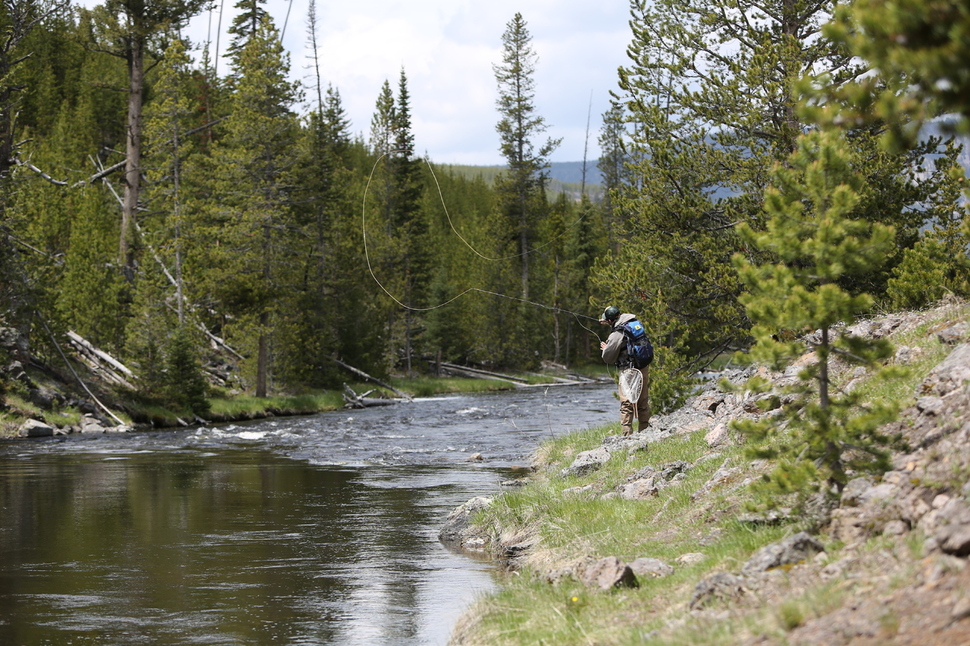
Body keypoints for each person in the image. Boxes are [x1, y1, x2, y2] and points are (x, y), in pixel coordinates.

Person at [600, 305, 650, 437]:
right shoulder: (633, 322)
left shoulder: (616, 334)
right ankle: (645, 432)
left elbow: (608, 358)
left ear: (611, 320)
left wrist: (606, 348)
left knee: (626, 403)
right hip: (643, 366)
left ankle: (627, 435)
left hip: (628, 370)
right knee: (643, 402)